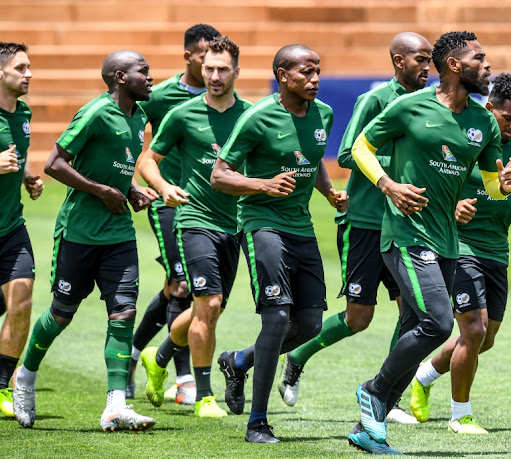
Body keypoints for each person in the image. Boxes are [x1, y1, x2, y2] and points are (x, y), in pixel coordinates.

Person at [347, 31, 511, 453]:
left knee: (414, 326)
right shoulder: (409, 106)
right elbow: (360, 147)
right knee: (439, 324)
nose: (488, 66)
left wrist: (506, 185)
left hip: (448, 243)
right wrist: (388, 185)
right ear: (456, 65)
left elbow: (492, 187)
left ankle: (368, 431)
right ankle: (375, 390)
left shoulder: (482, 122)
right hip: (405, 235)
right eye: (480, 59)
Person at [273, 32, 432, 425]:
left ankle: (387, 396)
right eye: (419, 60)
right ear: (398, 61)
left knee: (415, 314)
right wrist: (394, 165)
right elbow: (346, 152)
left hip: (407, 225)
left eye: (430, 60)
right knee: (359, 318)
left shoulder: (430, 104)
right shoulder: (375, 100)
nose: (426, 67)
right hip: (366, 221)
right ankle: (297, 356)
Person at [12, 50, 156, 431]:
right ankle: (24, 376)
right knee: (61, 313)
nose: (150, 77)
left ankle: (115, 406)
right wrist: (102, 191)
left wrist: (132, 190)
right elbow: (54, 163)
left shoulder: (139, 116)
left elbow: (119, 169)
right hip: (79, 232)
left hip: (119, 233)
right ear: (120, 78)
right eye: (143, 71)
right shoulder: (94, 113)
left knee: (123, 314)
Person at [211, 44, 347, 443]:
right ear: (283, 75)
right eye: (306, 72)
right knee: (277, 318)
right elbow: (220, 176)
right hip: (261, 223)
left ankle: (239, 361)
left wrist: (327, 191)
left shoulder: (324, 113)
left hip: (301, 228)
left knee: (310, 324)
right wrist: (263, 185)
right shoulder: (257, 117)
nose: (315, 79)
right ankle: (257, 422)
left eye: (318, 71)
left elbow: (312, 156)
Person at [409, 73, 511, 435]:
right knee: (474, 330)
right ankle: (460, 415)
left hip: (497, 249)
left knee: (486, 338)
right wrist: (453, 209)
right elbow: (434, 182)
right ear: (489, 107)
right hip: (459, 245)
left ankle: (424, 374)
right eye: (507, 118)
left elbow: (509, 189)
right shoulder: (463, 138)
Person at [137, 36, 251, 418]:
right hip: (194, 220)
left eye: (222, 69)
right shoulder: (183, 114)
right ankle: (203, 396)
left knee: (210, 310)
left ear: (237, 70)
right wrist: (164, 187)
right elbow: (148, 161)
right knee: (209, 303)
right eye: (209, 68)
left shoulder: (252, 115)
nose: (214, 76)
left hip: (234, 225)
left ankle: (160, 355)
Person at [128, 23, 221, 405]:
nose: (213, 68)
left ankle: (138, 355)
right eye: (204, 59)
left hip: (212, 208)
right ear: (188, 57)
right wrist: (135, 180)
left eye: (220, 62)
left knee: (178, 288)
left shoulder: (225, 97)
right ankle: (185, 380)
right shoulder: (161, 95)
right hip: (169, 204)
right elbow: (127, 129)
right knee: (184, 287)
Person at [0, 42, 44, 418]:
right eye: (21, 68)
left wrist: (28, 177)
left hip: (11, 226)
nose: (28, 74)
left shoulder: (24, 113)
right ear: (1, 72)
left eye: (29, 68)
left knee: (23, 301)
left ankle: (1, 386)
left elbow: (19, 155)